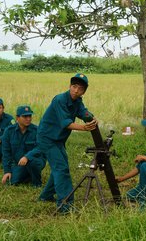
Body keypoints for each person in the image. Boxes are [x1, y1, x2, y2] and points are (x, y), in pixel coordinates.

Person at [36, 73, 97, 213]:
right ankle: (65, 206)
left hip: (58, 139)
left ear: (84, 91)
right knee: (61, 169)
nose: (76, 90)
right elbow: (65, 123)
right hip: (47, 138)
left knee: (60, 167)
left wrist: (92, 118)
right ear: (70, 86)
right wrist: (84, 127)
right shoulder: (60, 100)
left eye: (80, 88)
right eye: (74, 86)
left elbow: (84, 112)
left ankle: (46, 196)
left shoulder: (77, 101)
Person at [1, 105, 46, 187]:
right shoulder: (9, 131)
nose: (28, 119)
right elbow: (6, 152)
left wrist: (27, 157)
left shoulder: (37, 130)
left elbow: (41, 147)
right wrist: (7, 171)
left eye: (30, 116)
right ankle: (28, 175)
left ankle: (37, 183)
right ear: (17, 118)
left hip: (36, 160)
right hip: (19, 163)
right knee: (13, 181)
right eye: (25, 116)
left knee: (33, 163)